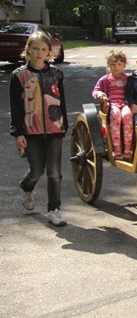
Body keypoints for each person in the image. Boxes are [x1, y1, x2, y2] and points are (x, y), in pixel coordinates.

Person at [9, 31, 69, 226]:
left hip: (54, 128)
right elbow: (15, 106)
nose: (39, 52)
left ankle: (54, 209)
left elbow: (62, 102)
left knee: (54, 171)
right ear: (28, 50)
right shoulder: (19, 75)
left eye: (43, 49)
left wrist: (63, 127)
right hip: (30, 129)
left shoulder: (56, 74)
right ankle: (26, 187)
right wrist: (17, 132)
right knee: (37, 170)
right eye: (35, 48)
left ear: (49, 52)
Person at [92, 50, 134, 160]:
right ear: (109, 65)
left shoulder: (128, 78)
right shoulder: (105, 79)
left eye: (119, 64)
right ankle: (117, 148)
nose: (116, 67)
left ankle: (128, 147)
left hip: (124, 104)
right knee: (115, 115)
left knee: (127, 116)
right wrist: (100, 94)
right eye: (113, 64)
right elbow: (95, 91)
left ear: (124, 65)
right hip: (112, 104)